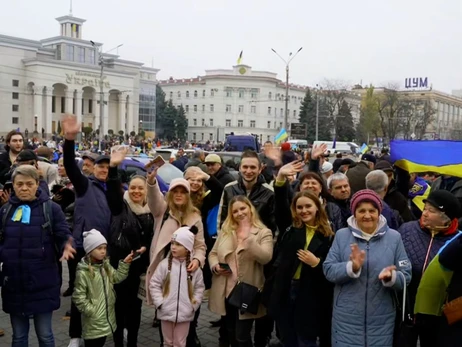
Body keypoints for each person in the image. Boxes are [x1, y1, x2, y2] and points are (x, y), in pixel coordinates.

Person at [323, 189, 412, 347]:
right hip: (346, 317)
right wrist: (351, 267)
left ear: (379, 212)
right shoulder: (342, 235)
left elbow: (406, 275)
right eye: (361, 210)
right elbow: (328, 269)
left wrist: (391, 277)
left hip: (382, 317)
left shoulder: (394, 237)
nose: (367, 215)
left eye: (372, 210)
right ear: (354, 213)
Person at [0, 165, 75, 346]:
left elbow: (63, 232)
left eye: (29, 184)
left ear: (37, 185)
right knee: (18, 336)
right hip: (14, 283)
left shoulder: (51, 209)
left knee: (45, 335)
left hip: (42, 281)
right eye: (19, 184)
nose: (24, 188)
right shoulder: (4, 211)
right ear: (13, 185)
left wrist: (67, 244)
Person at [61, 114, 112, 347]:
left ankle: (103, 330)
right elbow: (70, 165)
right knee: (80, 293)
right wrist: (69, 140)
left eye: (107, 167)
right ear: (94, 169)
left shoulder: (115, 190)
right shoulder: (84, 185)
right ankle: (75, 336)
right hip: (83, 246)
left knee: (101, 293)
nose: (103, 170)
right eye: (100, 166)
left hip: (105, 250)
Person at [269, 190, 334, 346]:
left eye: (308, 206)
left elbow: (332, 266)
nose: (303, 211)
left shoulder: (328, 234)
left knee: (306, 338)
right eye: (299, 207)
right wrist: (280, 181)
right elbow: (280, 208)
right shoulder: (291, 229)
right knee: (287, 336)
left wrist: (317, 263)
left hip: (310, 292)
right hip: (286, 288)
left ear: (317, 207)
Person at [399, 190, 461, 347]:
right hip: (405, 307)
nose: (425, 213)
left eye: (431, 211)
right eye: (425, 208)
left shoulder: (457, 242)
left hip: (437, 314)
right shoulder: (407, 230)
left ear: (446, 217)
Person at [208, 196, 273, 347]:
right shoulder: (226, 231)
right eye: (235, 211)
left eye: (242, 208)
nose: (240, 213)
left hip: (247, 292)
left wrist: (249, 241)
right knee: (231, 331)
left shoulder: (264, 232)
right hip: (226, 290)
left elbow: (266, 258)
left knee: (242, 336)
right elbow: (212, 253)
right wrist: (215, 266)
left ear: (250, 208)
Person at [106, 148, 153, 347]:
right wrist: (113, 168)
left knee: (135, 310)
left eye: (140, 189)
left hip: (140, 269)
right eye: (132, 188)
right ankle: (118, 343)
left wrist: (145, 248)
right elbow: (112, 191)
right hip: (120, 266)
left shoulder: (151, 211)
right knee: (118, 308)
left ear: (146, 192)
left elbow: (154, 237)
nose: (135, 192)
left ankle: (132, 342)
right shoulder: (120, 207)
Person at [72, 229, 133, 347]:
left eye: (104, 248)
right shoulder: (83, 272)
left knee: (101, 342)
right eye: (99, 248)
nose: (103, 251)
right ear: (90, 250)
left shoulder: (105, 265)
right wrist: (91, 310)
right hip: (93, 322)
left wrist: (124, 264)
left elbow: (116, 277)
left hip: (106, 320)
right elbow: (78, 297)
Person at [149, 226, 205, 347]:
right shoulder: (164, 265)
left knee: (180, 343)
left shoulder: (195, 269)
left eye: (178, 244)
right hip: (166, 312)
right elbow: (154, 284)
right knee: (167, 343)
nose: (173, 247)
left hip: (185, 314)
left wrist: (193, 305)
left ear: (188, 248)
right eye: (172, 243)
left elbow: (199, 288)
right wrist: (160, 303)